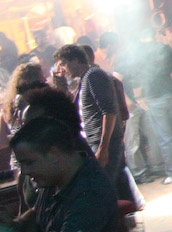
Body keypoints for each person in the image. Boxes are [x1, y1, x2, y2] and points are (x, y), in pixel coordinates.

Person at [0, 117, 119, 232]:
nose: (25, 171)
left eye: (29, 163)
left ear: (54, 154)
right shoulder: (55, 177)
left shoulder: (90, 190)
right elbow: (38, 216)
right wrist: (15, 224)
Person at [51, 45, 126, 196]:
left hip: (105, 143)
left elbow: (108, 112)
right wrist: (60, 82)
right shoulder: (86, 78)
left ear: (75, 60)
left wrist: (103, 148)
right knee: (109, 188)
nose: (62, 69)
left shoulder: (94, 76)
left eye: (64, 64)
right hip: (99, 142)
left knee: (104, 190)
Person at [119, 25, 172, 185]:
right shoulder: (165, 48)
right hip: (170, 94)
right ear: (155, 34)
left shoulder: (138, 52)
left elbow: (136, 78)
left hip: (154, 98)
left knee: (165, 138)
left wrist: (139, 97)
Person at [0, 62, 48, 148]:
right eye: (42, 77)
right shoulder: (36, 105)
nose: (45, 80)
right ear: (33, 80)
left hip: (19, 155)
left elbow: (0, 143)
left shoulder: (8, 107)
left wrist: (14, 136)